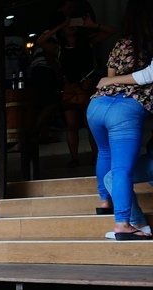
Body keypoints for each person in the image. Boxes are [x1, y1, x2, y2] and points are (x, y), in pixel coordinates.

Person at [87, 0, 153, 240]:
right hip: (127, 110)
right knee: (122, 168)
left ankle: (105, 201)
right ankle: (123, 223)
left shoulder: (122, 44)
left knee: (105, 153)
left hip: (97, 105)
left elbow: (110, 77)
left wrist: (112, 81)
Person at [39, 13, 115, 168]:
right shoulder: (59, 48)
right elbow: (40, 41)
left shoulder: (87, 42)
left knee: (91, 124)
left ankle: (96, 156)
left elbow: (112, 31)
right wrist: (60, 26)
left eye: (73, 24)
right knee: (72, 125)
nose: (70, 27)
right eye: (67, 25)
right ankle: (74, 158)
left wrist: (92, 25)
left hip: (88, 88)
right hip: (71, 89)